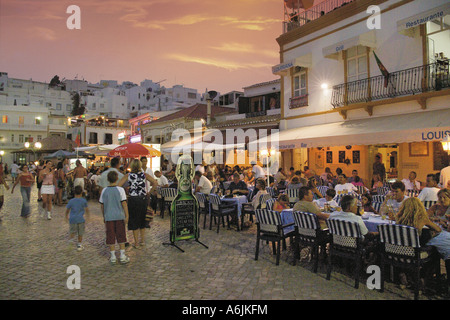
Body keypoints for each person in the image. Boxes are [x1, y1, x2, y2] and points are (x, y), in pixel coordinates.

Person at [395, 197, 450, 290]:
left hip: (400, 252)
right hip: (415, 253)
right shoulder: (422, 219)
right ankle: (423, 277)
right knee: (435, 251)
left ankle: (417, 277)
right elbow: (438, 229)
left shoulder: (399, 219)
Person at [117, 159, 157, 249]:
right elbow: (155, 183)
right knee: (142, 219)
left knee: (134, 220)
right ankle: (142, 241)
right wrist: (149, 192)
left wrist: (125, 194)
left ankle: (136, 243)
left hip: (133, 199)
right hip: (143, 199)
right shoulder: (144, 175)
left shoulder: (128, 175)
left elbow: (118, 185)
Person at [99, 170, 130, 264]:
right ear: (117, 179)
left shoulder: (104, 190)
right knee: (121, 235)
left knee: (110, 236)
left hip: (109, 216)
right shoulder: (120, 190)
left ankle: (112, 256)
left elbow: (102, 204)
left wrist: (104, 215)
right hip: (119, 216)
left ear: (108, 179)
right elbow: (124, 203)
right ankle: (122, 255)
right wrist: (127, 215)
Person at [65, 186, 89, 251]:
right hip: (81, 219)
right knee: (80, 232)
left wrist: (66, 216)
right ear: (81, 192)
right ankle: (79, 245)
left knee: (72, 231)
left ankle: (71, 241)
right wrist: (88, 217)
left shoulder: (71, 201)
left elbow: (67, 210)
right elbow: (86, 209)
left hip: (72, 219)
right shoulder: (83, 201)